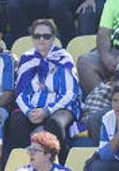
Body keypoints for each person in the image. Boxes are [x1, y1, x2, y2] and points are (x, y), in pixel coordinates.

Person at [7, 19, 82, 162]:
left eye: (46, 36)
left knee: (54, 123)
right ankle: (23, 165)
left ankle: (62, 164)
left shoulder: (63, 58)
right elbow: (21, 92)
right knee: (17, 121)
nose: (41, 39)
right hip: (33, 108)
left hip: (61, 106)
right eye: (37, 36)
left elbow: (70, 93)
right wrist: (29, 111)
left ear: (53, 38)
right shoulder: (27, 59)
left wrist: (47, 110)